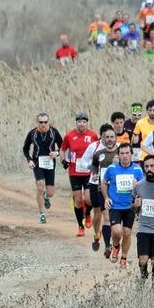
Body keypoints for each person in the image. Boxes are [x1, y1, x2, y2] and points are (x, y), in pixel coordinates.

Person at [101, 144, 144, 269]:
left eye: (127, 153)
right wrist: (106, 198)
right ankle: (115, 246)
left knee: (127, 233)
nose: (125, 156)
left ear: (131, 154)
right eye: (122, 153)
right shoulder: (112, 168)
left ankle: (124, 257)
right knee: (117, 231)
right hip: (115, 206)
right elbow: (103, 183)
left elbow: (143, 187)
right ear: (118, 155)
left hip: (130, 207)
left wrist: (137, 193)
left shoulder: (137, 169)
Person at [62, 112, 99, 236]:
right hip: (74, 171)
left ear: (87, 123)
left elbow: (98, 150)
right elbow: (63, 150)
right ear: (76, 123)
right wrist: (63, 160)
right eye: (79, 122)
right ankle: (80, 226)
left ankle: (87, 213)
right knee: (78, 200)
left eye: (84, 122)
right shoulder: (69, 135)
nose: (82, 124)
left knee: (88, 199)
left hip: (88, 171)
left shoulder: (93, 135)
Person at [22, 113, 63, 224]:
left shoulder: (54, 132)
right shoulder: (32, 133)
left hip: (50, 164)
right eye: (41, 122)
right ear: (37, 123)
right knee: (40, 187)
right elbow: (25, 148)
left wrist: (57, 153)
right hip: (37, 163)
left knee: (50, 193)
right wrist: (29, 160)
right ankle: (42, 214)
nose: (43, 124)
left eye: (45, 122)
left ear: (48, 122)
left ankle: (46, 196)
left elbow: (63, 146)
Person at [87, 126, 119, 255]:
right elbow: (94, 165)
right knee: (106, 216)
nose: (109, 140)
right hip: (102, 189)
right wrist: (95, 173)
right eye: (107, 137)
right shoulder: (99, 154)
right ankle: (107, 246)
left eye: (112, 137)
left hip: (119, 190)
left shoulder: (122, 152)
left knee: (116, 221)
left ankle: (116, 243)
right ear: (103, 139)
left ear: (116, 138)